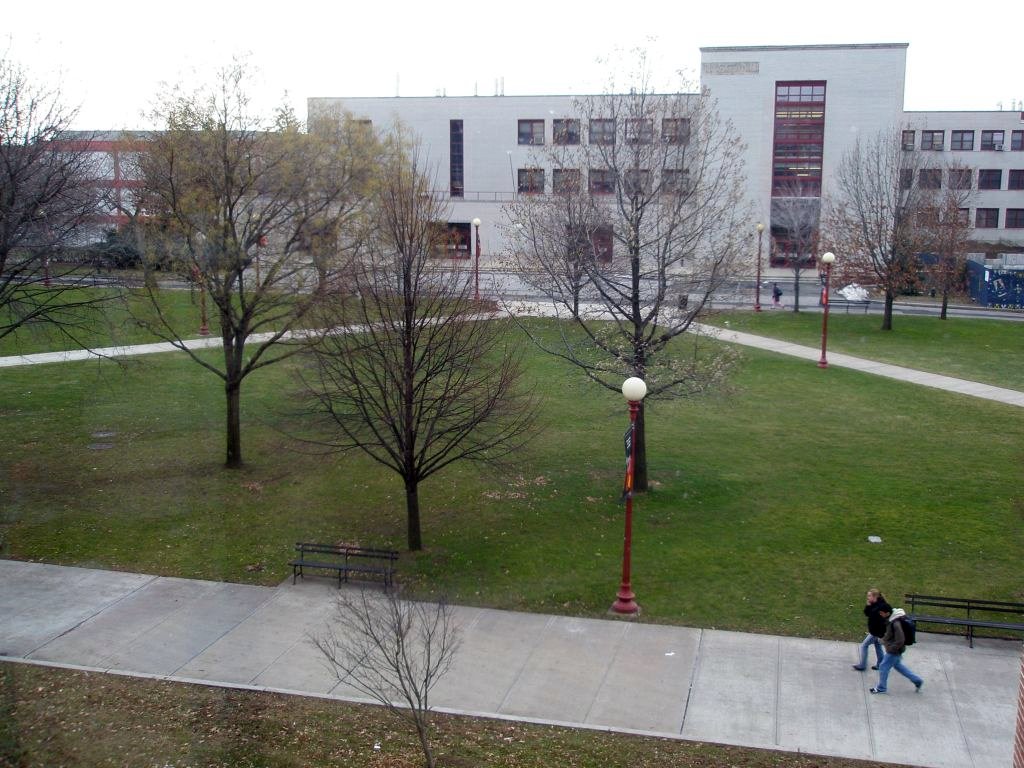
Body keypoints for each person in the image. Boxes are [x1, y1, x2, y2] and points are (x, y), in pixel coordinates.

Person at [869, 606, 924, 694]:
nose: (880, 615)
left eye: (881, 613)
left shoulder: (895, 623)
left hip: (894, 650)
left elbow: (900, 640)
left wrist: (891, 648)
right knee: (898, 666)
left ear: (887, 613)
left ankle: (881, 688)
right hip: (895, 649)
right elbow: (890, 634)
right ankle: (917, 680)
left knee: (883, 666)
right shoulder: (892, 620)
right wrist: (883, 640)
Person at [853, 588, 890, 671]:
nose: (868, 597)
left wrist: (879, 632)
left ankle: (862, 665)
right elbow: (867, 613)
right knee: (878, 646)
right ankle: (880, 664)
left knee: (864, 645)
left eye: (869, 596)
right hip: (875, 631)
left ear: (875, 596)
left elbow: (881, 617)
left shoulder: (882, 605)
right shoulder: (874, 604)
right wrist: (868, 605)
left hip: (876, 632)